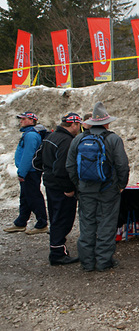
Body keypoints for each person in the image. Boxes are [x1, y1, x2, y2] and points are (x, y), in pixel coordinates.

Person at [66, 102, 130, 272]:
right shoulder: (113, 139)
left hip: (86, 190)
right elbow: (122, 164)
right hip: (108, 190)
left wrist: (78, 185)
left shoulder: (79, 139)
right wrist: (121, 185)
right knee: (106, 224)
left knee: (87, 224)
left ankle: (87, 263)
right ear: (107, 123)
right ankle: (103, 262)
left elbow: (70, 166)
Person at [32, 113, 83, 265]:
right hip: (61, 186)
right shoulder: (66, 141)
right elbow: (63, 168)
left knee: (55, 217)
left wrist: (47, 173)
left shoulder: (50, 137)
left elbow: (37, 161)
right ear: (73, 125)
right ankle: (57, 253)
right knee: (63, 218)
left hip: (50, 184)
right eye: (78, 125)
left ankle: (58, 249)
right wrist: (68, 187)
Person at [4, 112, 48, 234]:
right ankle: (21, 222)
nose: (21, 121)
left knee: (33, 196)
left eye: (24, 119)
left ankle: (42, 223)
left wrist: (22, 173)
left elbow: (28, 155)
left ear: (32, 121)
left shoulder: (31, 136)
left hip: (31, 171)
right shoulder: (29, 134)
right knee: (25, 197)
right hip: (29, 170)